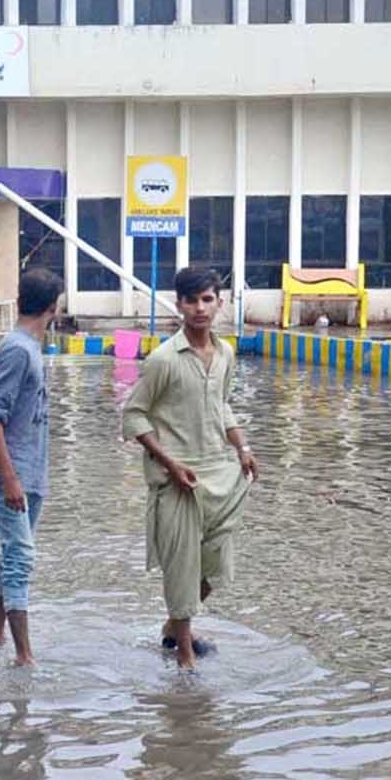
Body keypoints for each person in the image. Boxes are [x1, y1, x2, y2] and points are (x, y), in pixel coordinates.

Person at [119, 266, 258, 671]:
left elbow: (222, 404)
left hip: (219, 471)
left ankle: (173, 626)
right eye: (191, 300)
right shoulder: (164, 359)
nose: (200, 308)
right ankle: (184, 654)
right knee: (181, 567)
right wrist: (170, 462)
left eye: (207, 299)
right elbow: (135, 416)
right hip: (177, 479)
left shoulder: (226, 354)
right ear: (178, 304)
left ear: (220, 302)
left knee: (215, 563)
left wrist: (242, 446)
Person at [0, 269, 64, 667]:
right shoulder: (17, 349)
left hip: (29, 472)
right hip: (11, 475)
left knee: (14, 552)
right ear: (54, 308)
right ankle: (24, 655)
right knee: (21, 557)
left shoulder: (30, 348)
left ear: (18, 301)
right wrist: (10, 478)